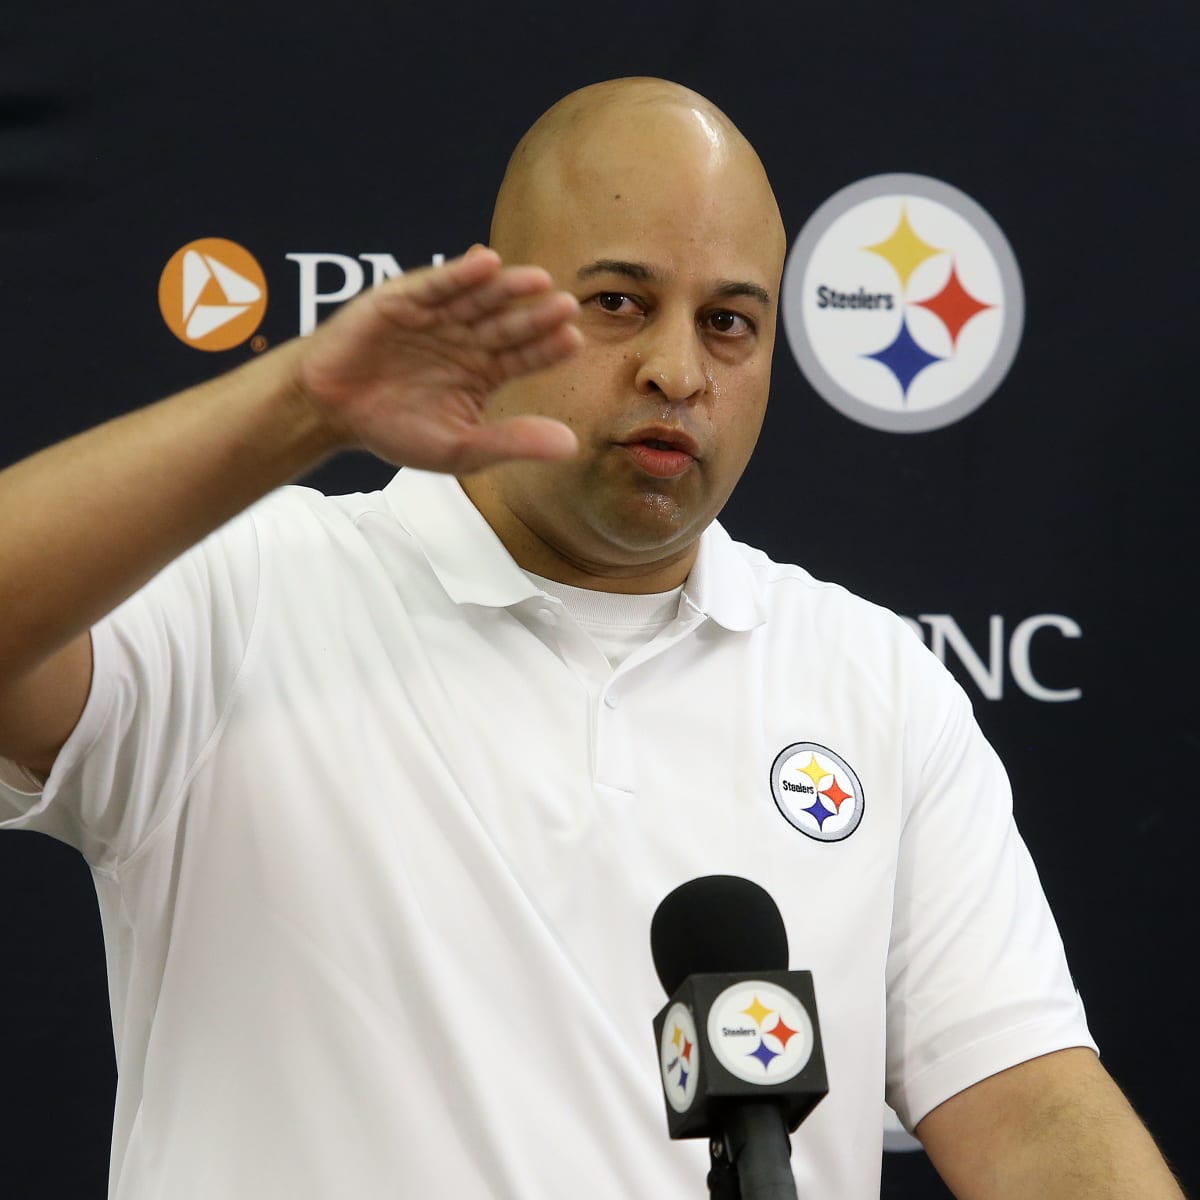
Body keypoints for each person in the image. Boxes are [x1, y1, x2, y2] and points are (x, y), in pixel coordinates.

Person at [0, 77, 1184, 1200]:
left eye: (730, 324)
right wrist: (298, 407)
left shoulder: (876, 685)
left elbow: (1032, 1114)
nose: (675, 370)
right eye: (618, 303)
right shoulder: (252, 596)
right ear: (497, 305)